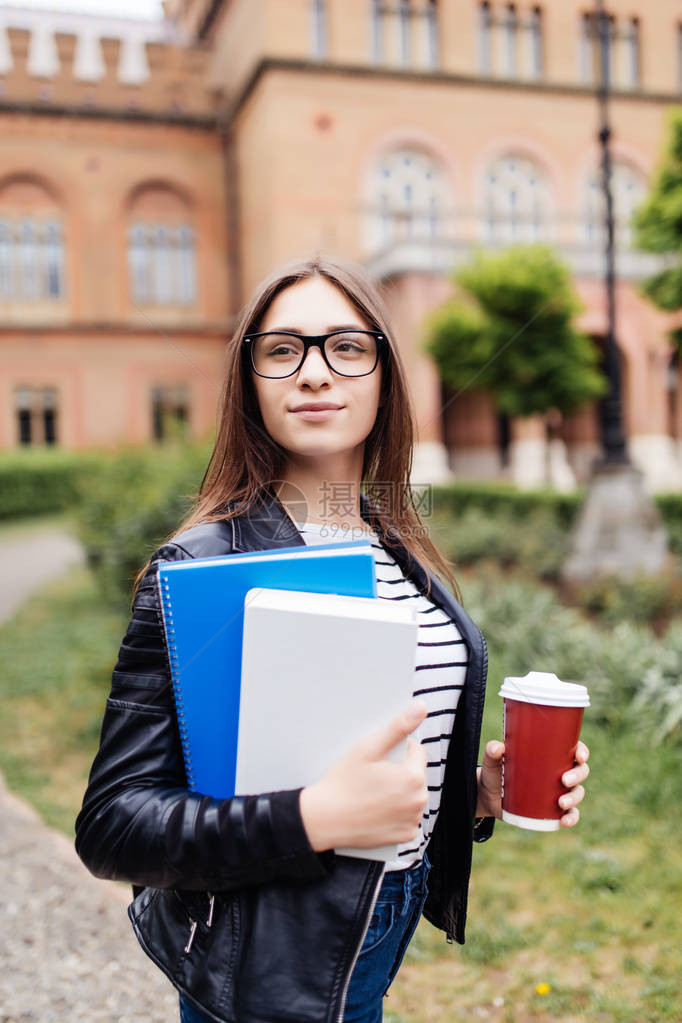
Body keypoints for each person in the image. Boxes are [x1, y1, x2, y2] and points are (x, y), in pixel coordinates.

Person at [75, 256, 589, 1023]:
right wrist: (314, 817)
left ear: (385, 374)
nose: (315, 372)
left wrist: (474, 797)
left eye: (346, 346)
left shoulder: (396, 546)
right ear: (250, 382)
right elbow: (113, 824)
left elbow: (380, 754)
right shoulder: (202, 566)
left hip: (369, 941)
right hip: (266, 964)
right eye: (283, 349)